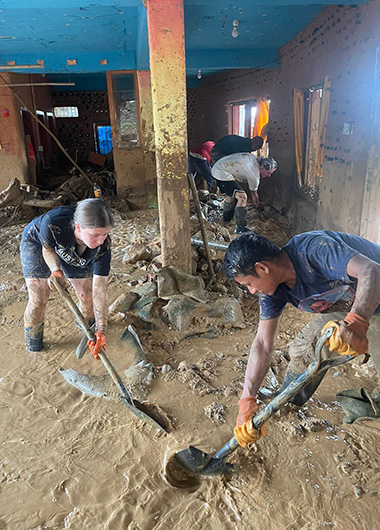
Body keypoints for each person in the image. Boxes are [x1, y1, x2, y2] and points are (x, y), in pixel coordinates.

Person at [223, 231, 380, 448]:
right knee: (306, 351)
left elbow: (371, 270)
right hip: (343, 305)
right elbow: (262, 344)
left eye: (249, 284)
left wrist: (358, 322)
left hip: (374, 294)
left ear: (262, 268)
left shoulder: (314, 250)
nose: (251, 291)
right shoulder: (273, 291)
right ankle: (290, 402)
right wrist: (246, 400)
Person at [20, 198, 114, 358]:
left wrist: (101, 329)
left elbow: (99, 289)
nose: (101, 241)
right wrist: (56, 271)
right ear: (78, 227)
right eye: (96, 234)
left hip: (74, 248)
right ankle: (34, 349)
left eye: (105, 234)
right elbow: (48, 250)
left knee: (87, 298)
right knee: (38, 297)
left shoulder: (102, 247)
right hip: (38, 244)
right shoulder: (53, 222)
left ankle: (88, 337)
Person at [211, 154, 277, 233]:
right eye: (268, 173)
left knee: (231, 195)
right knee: (242, 197)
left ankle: (226, 220)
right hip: (221, 172)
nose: (269, 176)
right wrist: (258, 207)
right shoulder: (254, 175)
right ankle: (241, 228)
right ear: (262, 168)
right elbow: (254, 195)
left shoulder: (253, 158)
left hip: (219, 167)